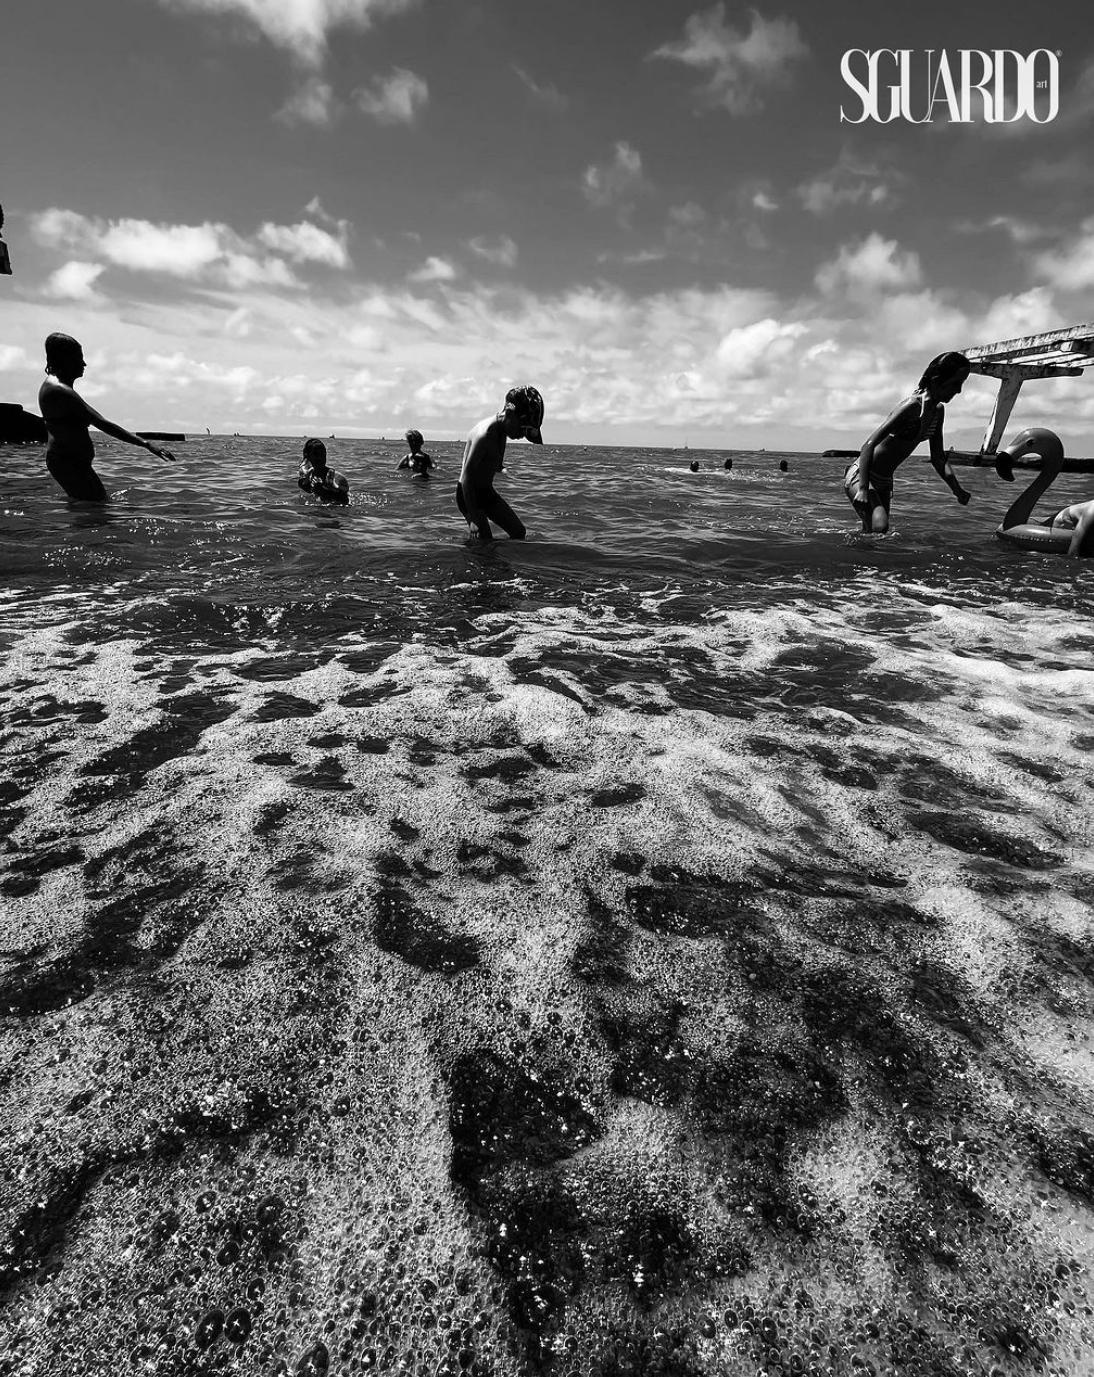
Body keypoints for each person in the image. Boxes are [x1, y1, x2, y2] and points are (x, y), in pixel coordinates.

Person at [845, 351, 972, 534]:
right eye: (955, 383)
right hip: (863, 475)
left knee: (873, 534)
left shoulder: (937, 411)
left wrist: (957, 490)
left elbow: (938, 458)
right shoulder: (912, 406)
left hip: (884, 481)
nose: (958, 390)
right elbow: (868, 445)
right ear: (936, 380)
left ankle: (852, 551)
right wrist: (863, 488)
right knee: (880, 526)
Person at [37, 333, 174, 501]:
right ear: (64, 359)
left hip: (70, 462)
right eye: (79, 358)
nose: (84, 364)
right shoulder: (59, 390)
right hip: (68, 463)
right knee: (97, 508)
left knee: (89, 507)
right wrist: (146, 444)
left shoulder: (57, 387)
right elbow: (101, 423)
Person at [455, 385, 544, 540]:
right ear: (509, 413)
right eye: (522, 429)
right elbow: (467, 478)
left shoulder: (502, 431)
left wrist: (506, 471)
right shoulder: (485, 435)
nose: (522, 436)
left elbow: (496, 465)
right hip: (469, 494)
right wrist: (474, 517)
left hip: (486, 491)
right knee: (484, 543)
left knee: (519, 532)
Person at [297, 438, 349, 503]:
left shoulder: (336, 478)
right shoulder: (307, 475)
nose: (320, 458)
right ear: (308, 456)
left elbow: (345, 502)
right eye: (316, 454)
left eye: (322, 454)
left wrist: (323, 491)